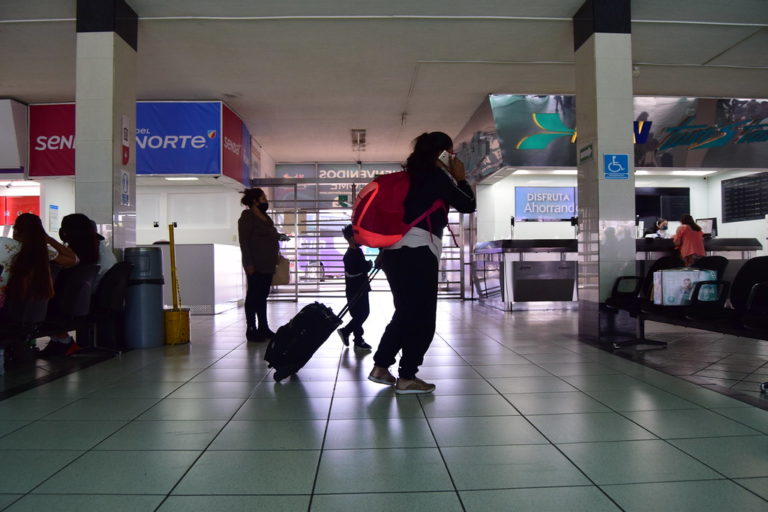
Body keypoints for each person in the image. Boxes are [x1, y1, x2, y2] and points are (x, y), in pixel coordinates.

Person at [368, 132, 476, 394]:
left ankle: (381, 366)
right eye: (450, 153)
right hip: (418, 252)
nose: (453, 157)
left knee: (406, 312)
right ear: (442, 153)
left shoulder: (409, 176)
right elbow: (467, 205)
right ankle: (407, 376)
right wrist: (461, 178)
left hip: (393, 253)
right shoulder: (435, 177)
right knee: (423, 318)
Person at [38, 213, 117, 358]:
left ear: (66, 232)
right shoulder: (96, 249)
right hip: (91, 299)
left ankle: (62, 341)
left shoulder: (79, 256)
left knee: (39, 301)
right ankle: (61, 341)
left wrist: (49, 242)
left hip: (82, 301)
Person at [0, 213, 78, 316]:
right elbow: (73, 259)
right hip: (19, 307)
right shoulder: (43, 252)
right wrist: (49, 239)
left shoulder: (3, 243)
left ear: (16, 230)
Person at [238, 188, 280, 342]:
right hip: (255, 265)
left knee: (262, 296)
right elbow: (244, 242)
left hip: (268, 264)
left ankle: (263, 327)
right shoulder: (247, 217)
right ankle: (251, 328)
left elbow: (268, 234)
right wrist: (248, 264)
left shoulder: (265, 217)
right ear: (255, 201)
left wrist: (278, 237)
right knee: (253, 296)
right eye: (263, 198)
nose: (266, 201)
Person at [337, 224, 373, 352]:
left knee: (358, 315)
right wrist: (369, 265)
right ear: (352, 238)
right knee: (363, 313)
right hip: (357, 290)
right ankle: (347, 332)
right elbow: (361, 268)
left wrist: (366, 266)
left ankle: (358, 340)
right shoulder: (352, 254)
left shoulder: (354, 252)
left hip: (356, 289)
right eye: (359, 236)